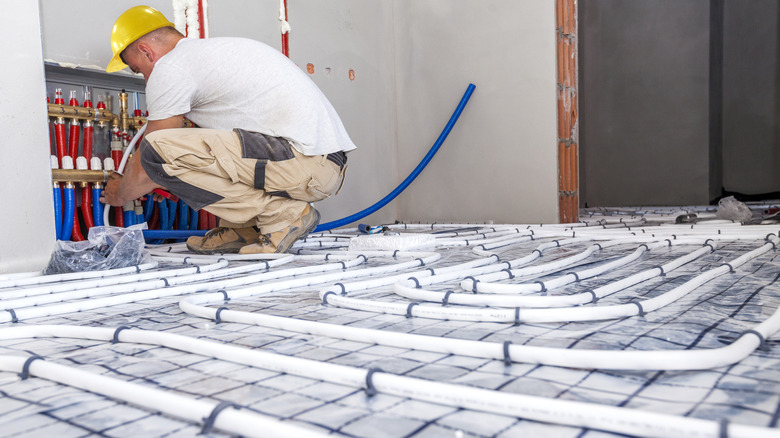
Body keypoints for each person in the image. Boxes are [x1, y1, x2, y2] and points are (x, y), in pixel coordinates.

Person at [100, 5, 355, 254]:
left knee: (156, 150)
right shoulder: (211, 54)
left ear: (146, 52)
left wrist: (120, 194)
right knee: (169, 155)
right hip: (321, 165)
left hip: (303, 163)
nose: (145, 78)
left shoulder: (171, 66)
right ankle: (245, 228)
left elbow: (151, 156)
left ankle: (284, 216)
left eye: (138, 69)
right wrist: (171, 180)